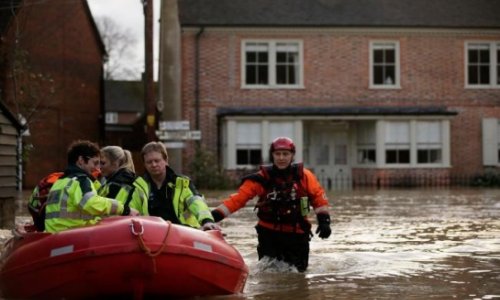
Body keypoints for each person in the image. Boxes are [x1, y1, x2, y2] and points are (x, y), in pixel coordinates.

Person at [211, 137, 332, 272]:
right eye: (277, 154)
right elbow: (237, 200)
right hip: (269, 235)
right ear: (272, 155)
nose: (281, 158)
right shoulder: (261, 178)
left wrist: (324, 221)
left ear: (292, 155)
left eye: (285, 154)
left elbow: (319, 199)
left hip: (297, 235)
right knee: (269, 275)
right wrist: (211, 218)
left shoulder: (304, 177)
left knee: (298, 276)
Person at [44, 140, 139, 233]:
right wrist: (124, 209)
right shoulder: (81, 180)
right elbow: (91, 203)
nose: (97, 168)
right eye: (95, 163)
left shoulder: (59, 182)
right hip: (72, 236)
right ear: (81, 160)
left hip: (55, 236)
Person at [141, 141, 219, 231]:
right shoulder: (139, 187)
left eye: (157, 161)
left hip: (184, 231)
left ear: (166, 161)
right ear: (145, 165)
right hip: (152, 233)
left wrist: (207, 221)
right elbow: (131, 211)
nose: (154, 165)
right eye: (149, 162)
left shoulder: (182, 183)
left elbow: (197, 203)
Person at [98, 146, 149, 216]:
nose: (99, 167)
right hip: (139, 224)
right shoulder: (139, 181)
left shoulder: (115, 185)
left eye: (103, 163)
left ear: (116, 162)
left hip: (121, 225)